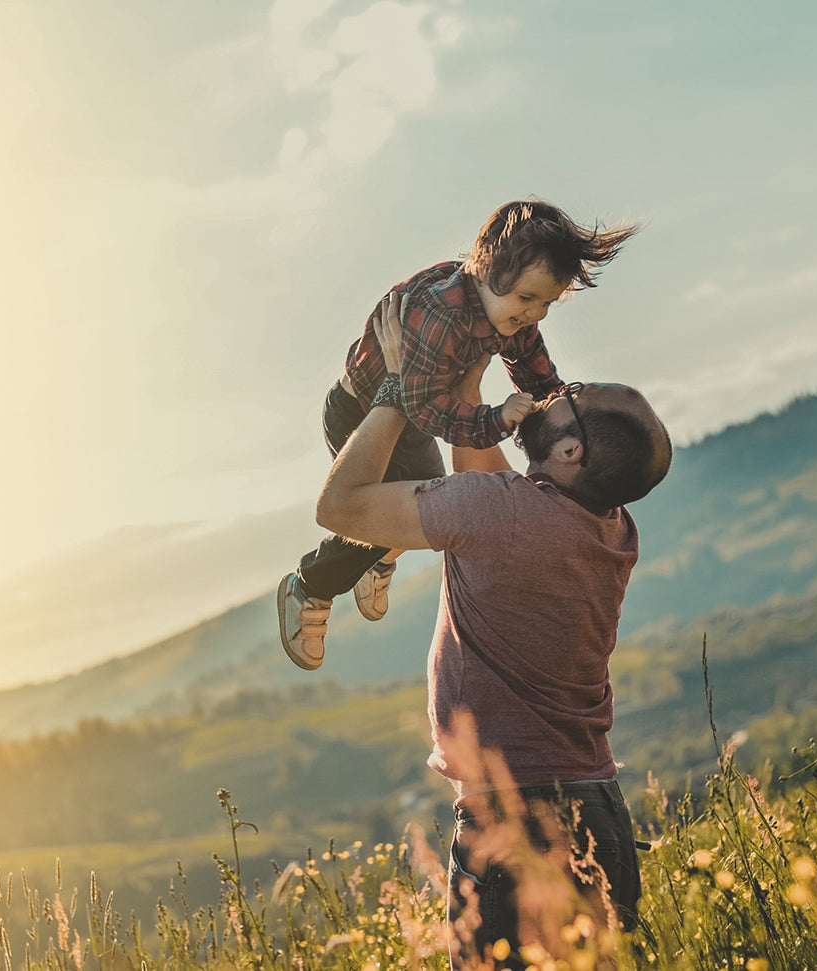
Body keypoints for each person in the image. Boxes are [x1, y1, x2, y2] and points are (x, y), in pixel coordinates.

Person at [313, 294, 672, 967]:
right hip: (599, 813)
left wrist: (396, 390)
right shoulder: (609, 526)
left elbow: (338, 506)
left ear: (568, 449)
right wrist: (467, 388)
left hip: (516, 825)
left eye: (566, 397)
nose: (548, 391)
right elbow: (484, 474)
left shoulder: (500, 514)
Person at [277, 200, 638, 671]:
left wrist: (564, 419)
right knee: (385, 511)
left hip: (419, 411)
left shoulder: (511, 315)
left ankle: (380, 556)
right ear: (487, 270)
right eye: (528, 299)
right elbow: (425, 407)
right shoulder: (442, 312)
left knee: (426, 494)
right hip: (365, 412)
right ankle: (309, 586)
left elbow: (537, 376)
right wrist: (494, 418)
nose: (537, 313)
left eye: (548, 302)